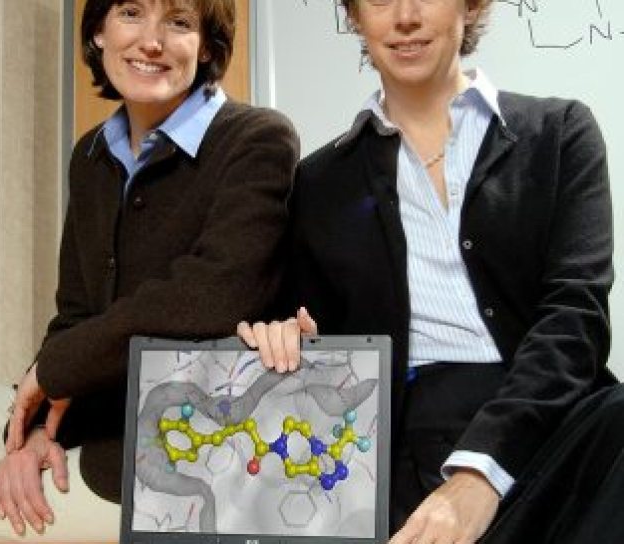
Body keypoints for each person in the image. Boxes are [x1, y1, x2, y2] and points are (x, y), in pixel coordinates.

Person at [238, 0, 624, 542]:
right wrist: (290, 338)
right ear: (355, 16)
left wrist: (480, 471)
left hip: (552, 418)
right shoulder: (320, 182)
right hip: (406, 442)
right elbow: (310, 335)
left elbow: (575, 319)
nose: (405, 17)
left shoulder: (559, 134)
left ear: (471, 5)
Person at [0, 0, 299, 541]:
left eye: (179, 22)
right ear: (99, 32)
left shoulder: (258, 139)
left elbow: (214, 294)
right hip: (86, 414)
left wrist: (54, 371)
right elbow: (74, 314)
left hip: (169, 449)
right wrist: (31, 434)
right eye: (130, 13)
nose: (152, 40)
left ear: (206, 46)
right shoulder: (91, 155)